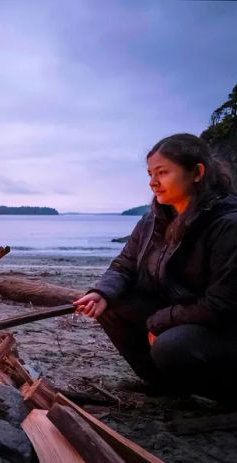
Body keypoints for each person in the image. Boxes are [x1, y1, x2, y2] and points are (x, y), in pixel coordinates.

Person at [74, 133, 237, 398]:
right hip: (177, 312)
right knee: (111, 302)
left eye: (162, 172)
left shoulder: (227, 225)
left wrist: (159, 321)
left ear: (197, 172)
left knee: (171, 346)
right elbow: (124, 264)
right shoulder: (154, 220)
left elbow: (221, 306)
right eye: (150, 174)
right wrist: (100, 292)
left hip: (220, 329)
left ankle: (221, 395)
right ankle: (164, 385)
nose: (153, 183)